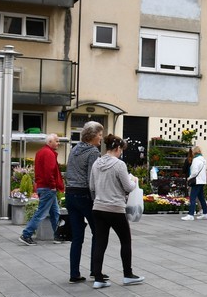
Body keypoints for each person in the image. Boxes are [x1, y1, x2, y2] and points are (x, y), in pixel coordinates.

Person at [89, 134, 144, 288]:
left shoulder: (96, 163)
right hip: (115, 208)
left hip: (98, 207)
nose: (121, 153)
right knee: (125, 240)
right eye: (121, 150)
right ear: (118, 148)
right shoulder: (119, 165)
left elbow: (92, 187)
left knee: (100, 242)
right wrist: (134, 181)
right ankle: (128, 274)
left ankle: (98, 278)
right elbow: (127, 187)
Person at [65, 121, 103, 283]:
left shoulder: (74, 149)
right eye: (100, 135)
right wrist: (97, 200)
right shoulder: (93, 152)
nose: (101, 138)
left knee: (77, 237)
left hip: (70, 194)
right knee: (98, 232)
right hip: (84, 195)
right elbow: (92, 179)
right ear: (93, 136)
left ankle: (74, 273)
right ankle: (95, 270)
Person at [20, 133, 64, 246]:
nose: (58, 143)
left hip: (44, 187)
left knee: (55, 212)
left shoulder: (41, 152)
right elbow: (49, 172)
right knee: (42, 212)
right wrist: (53, 185)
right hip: (48, 188)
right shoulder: (49, 153)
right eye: (57, 141)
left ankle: (58, 235)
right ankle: (26, 234)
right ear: (50, 142)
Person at [182, 146, 207, 220]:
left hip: (196, 181)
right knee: (201, 198)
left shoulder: (196, 160)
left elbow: (194, 172)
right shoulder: (203, 160)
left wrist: (189, 178)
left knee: (192, 198)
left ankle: (190, 214)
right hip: (202, 180)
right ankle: (205, 213)